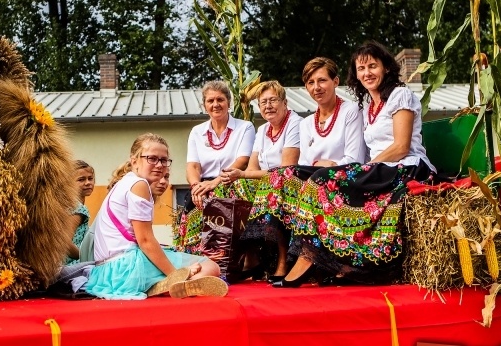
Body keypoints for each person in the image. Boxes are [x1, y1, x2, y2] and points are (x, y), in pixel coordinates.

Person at [267, 42, 434, 287]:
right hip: (381, 168)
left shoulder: (400, 95)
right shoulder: (367, 104)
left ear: (387, 68)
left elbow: (401, 146)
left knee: (322, 180)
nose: (367, 73)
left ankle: (308, 258)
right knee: (291, 175)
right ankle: (320, 260)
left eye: (373, 66)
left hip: (406, 167)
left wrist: (364, 168)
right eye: (361, 68)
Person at [85, 133, 227, 300]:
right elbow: (145, 241)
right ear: (134, 161)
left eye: (164, 160)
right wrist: (176, 275)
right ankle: (177, 284)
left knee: (175, 256)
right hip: (128, 268)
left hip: (107, 273)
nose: (159, 165)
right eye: (151, 158)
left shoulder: (124, 183)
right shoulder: (139, 185)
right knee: (211, 266)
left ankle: (161, 285)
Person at [218, 80, 302, 280]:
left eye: (273, 100)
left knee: (274, 184)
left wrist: (243, 174)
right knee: (234, 187)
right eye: (263, 102)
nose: (268, 106)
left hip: (291, 182)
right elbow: (252, 168)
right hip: (267, 180)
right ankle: (250, 255)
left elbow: (286, 168)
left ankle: (283, 260)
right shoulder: (263, 129)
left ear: (285, 103)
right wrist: (239, 176)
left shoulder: (295, 123)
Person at [186, 80, 256, 208]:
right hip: (203, 187)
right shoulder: (197, 132)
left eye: (220, 99)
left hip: (232, 186)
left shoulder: (245, 127)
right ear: (204, 105)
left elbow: (243, 161)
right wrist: (197, 189)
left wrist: (215, 182)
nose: (215, 104)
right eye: (210, 101)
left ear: (228, 102)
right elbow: (193, 166)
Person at [66, 160, 94, 265]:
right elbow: (65, 242)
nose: (88, 183)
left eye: (90, 178)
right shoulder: (78, 208)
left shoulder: (69, 205)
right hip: (71, 267)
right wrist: (84, 257)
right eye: (81, 179)